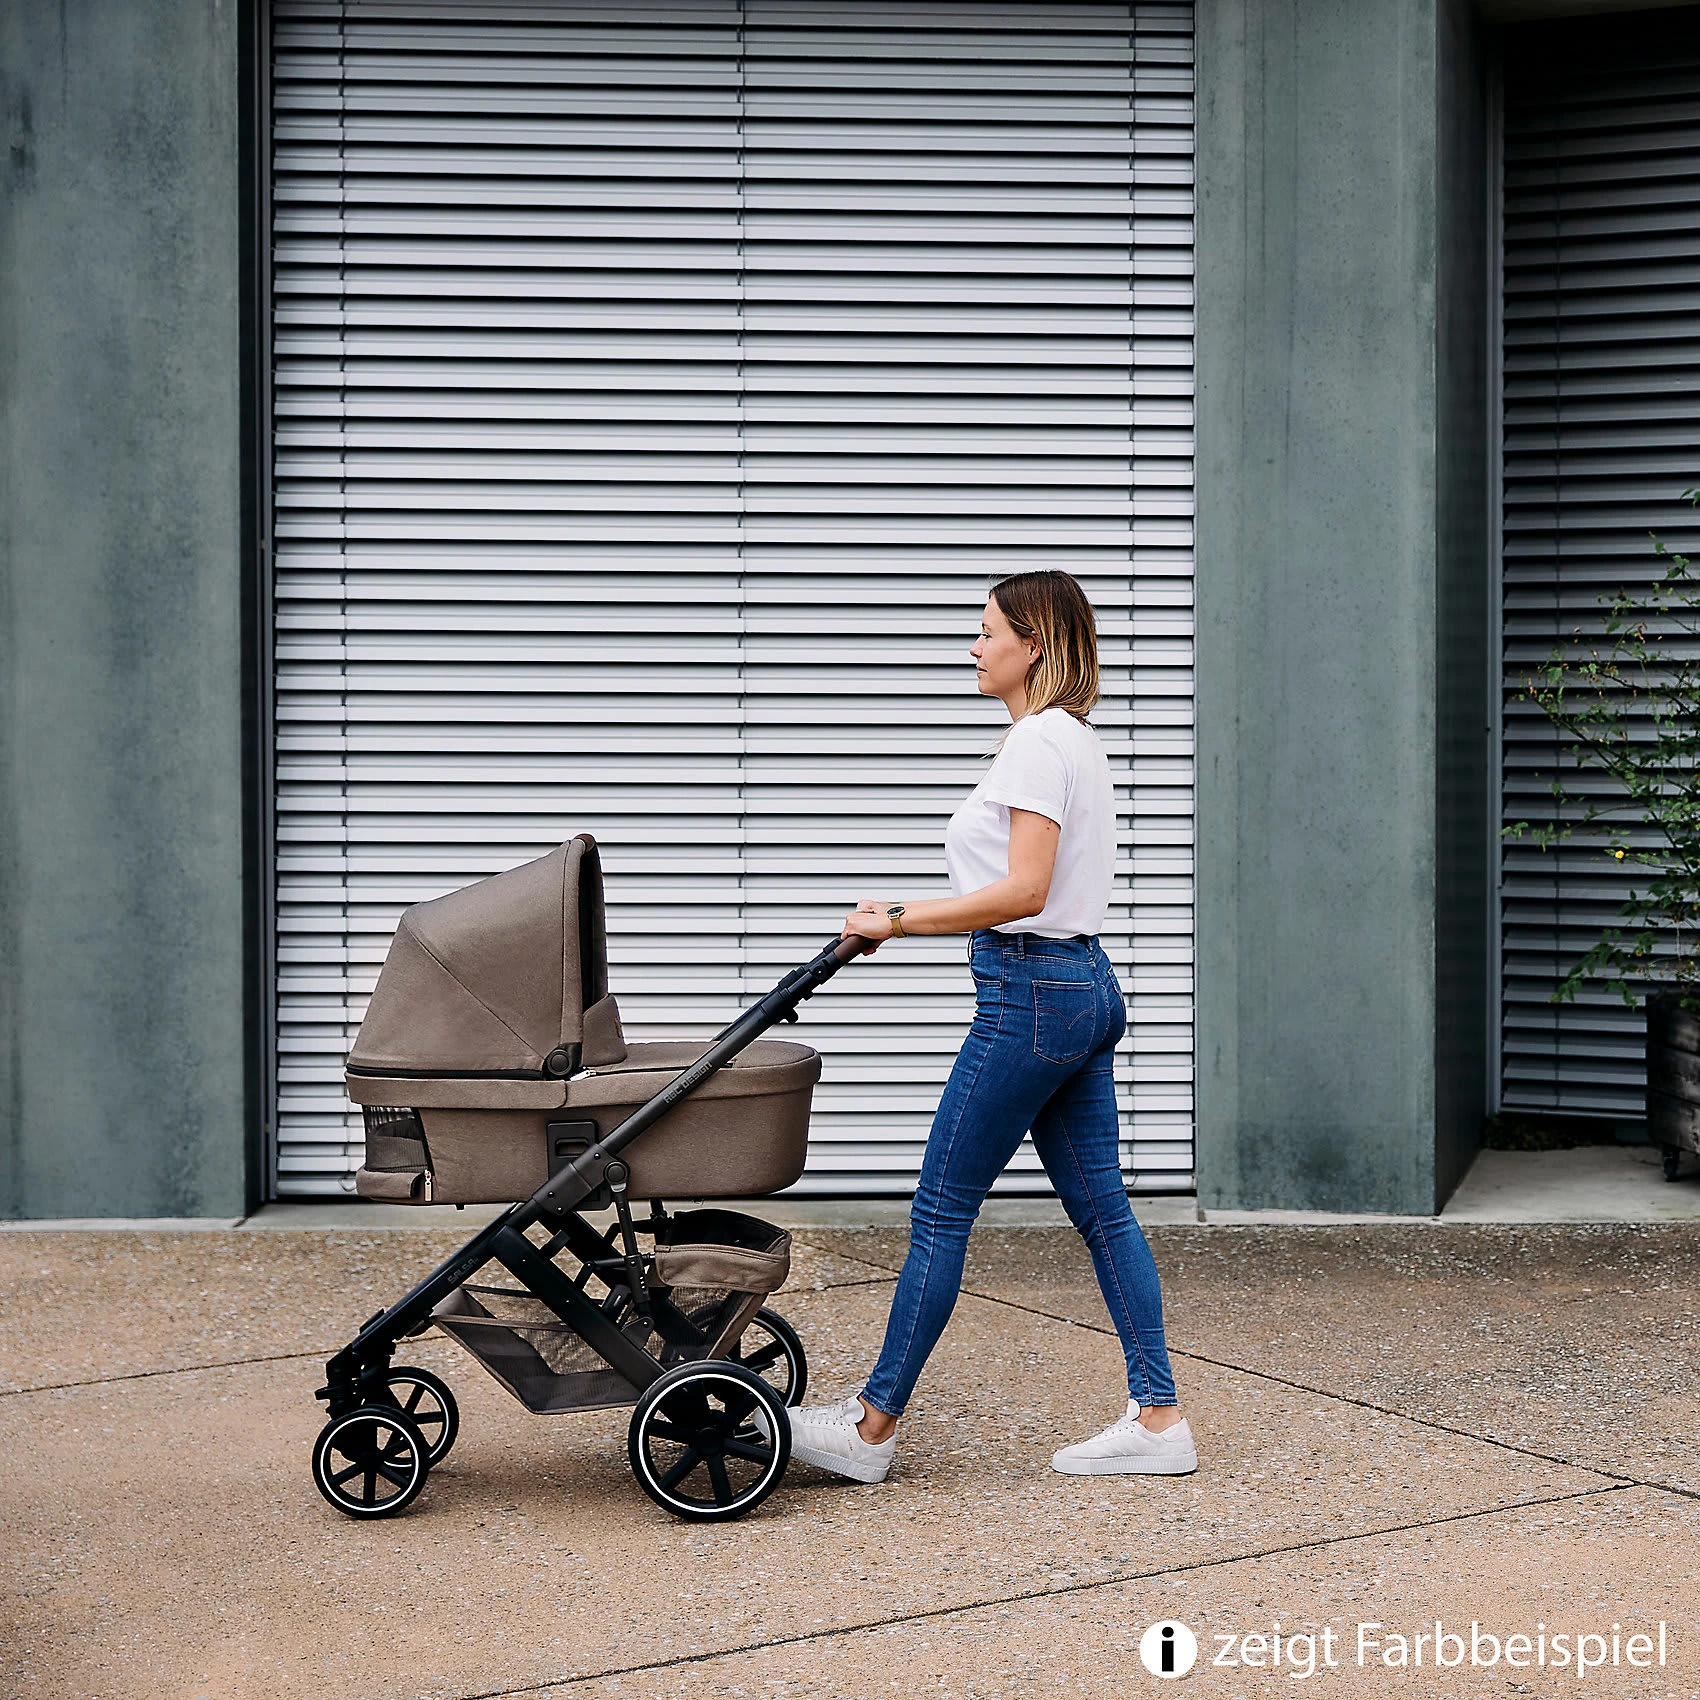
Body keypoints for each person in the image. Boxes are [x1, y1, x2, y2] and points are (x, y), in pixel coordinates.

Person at [785, 569, 1197, 1483]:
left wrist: (897, 918)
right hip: (1080, 983)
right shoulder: (1073, 740)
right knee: (1103, 1208)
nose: (974, 647)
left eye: (988, 631)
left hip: (1033, 993)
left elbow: (1023, 891)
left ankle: (869, 1431)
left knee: (941, 1207)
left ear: (1032, 645)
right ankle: (1159, 1417)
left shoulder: (1037, 742)